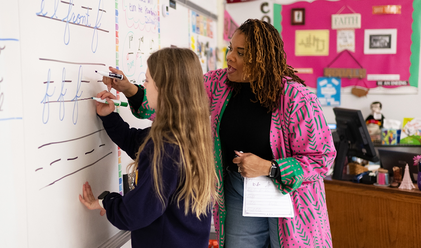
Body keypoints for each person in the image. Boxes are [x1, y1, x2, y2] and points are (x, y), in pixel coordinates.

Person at [102, 19, 336, 248]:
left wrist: (269, 168)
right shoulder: (217, 84)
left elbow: (322, 158)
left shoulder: (296, 97)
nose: (230, 57)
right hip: (237, 189)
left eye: (241, 53)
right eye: (231, 48)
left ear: (262, 59)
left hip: (290, 198)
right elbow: (175, 103)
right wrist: (130, 89)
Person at [79, 47, 218, 248]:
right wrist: (109, 117)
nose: (143, 86)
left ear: (165, 88)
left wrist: (106, 202)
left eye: (147, 81)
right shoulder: (189, 135)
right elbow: (136, 142)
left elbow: (135, 212)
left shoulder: (166, 147)